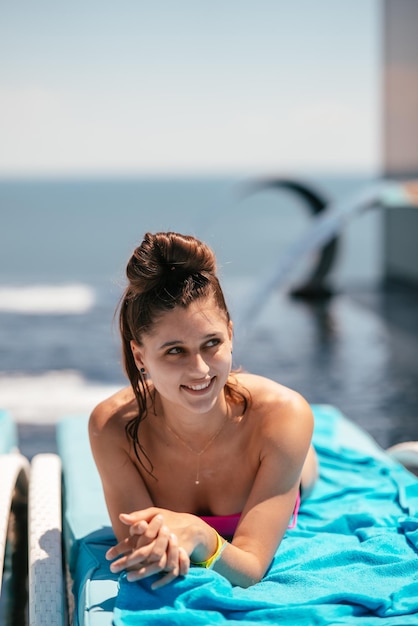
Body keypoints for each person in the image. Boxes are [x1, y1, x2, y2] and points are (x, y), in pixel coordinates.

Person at [89, 231, 318, 590]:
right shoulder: (112, 428)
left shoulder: (283, 417)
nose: (200, 370)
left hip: (283, 457)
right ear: (140, 357)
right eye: (175, 351)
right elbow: (140, 547)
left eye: (212, 343)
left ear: (230, 334)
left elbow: (251, 566)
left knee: (304, 460)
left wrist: (202, 538)